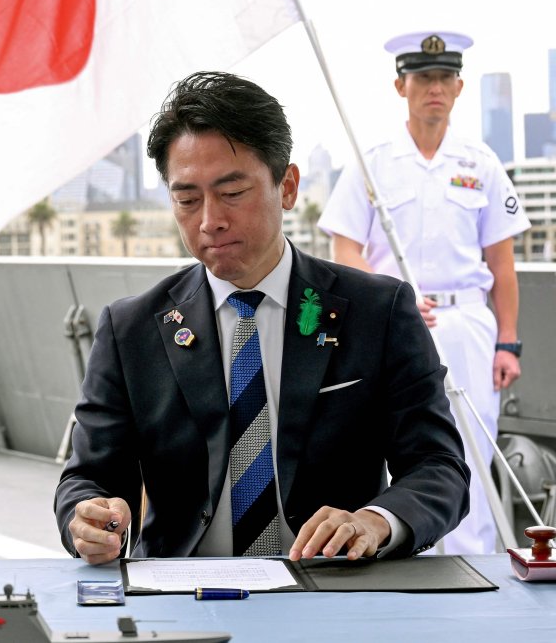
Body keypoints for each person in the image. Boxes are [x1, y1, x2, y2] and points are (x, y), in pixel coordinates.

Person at [54, 71, 470, 564]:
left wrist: (375, 522)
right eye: (187, 200)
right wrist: (85, 517)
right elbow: (88, 477)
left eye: (232, 193)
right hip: (179, 594)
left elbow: (439, 467)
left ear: (287, 186)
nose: (209, 220)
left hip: (331, 587)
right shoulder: (132, 329)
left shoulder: (377, 312)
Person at [318, 32, 530, 555]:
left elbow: (501, 266)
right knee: (390, 450)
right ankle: (399, 563)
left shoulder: (480, 164)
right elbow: (346, 251)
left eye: (443, 78)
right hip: (394, 325)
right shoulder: (373, 164)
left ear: (458, 87)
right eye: (422, 78)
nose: (433, 88)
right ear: (400, 86)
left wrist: (508, 343)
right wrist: (397, 298)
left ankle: (475, 568)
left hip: (465, 328)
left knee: (473, 456)